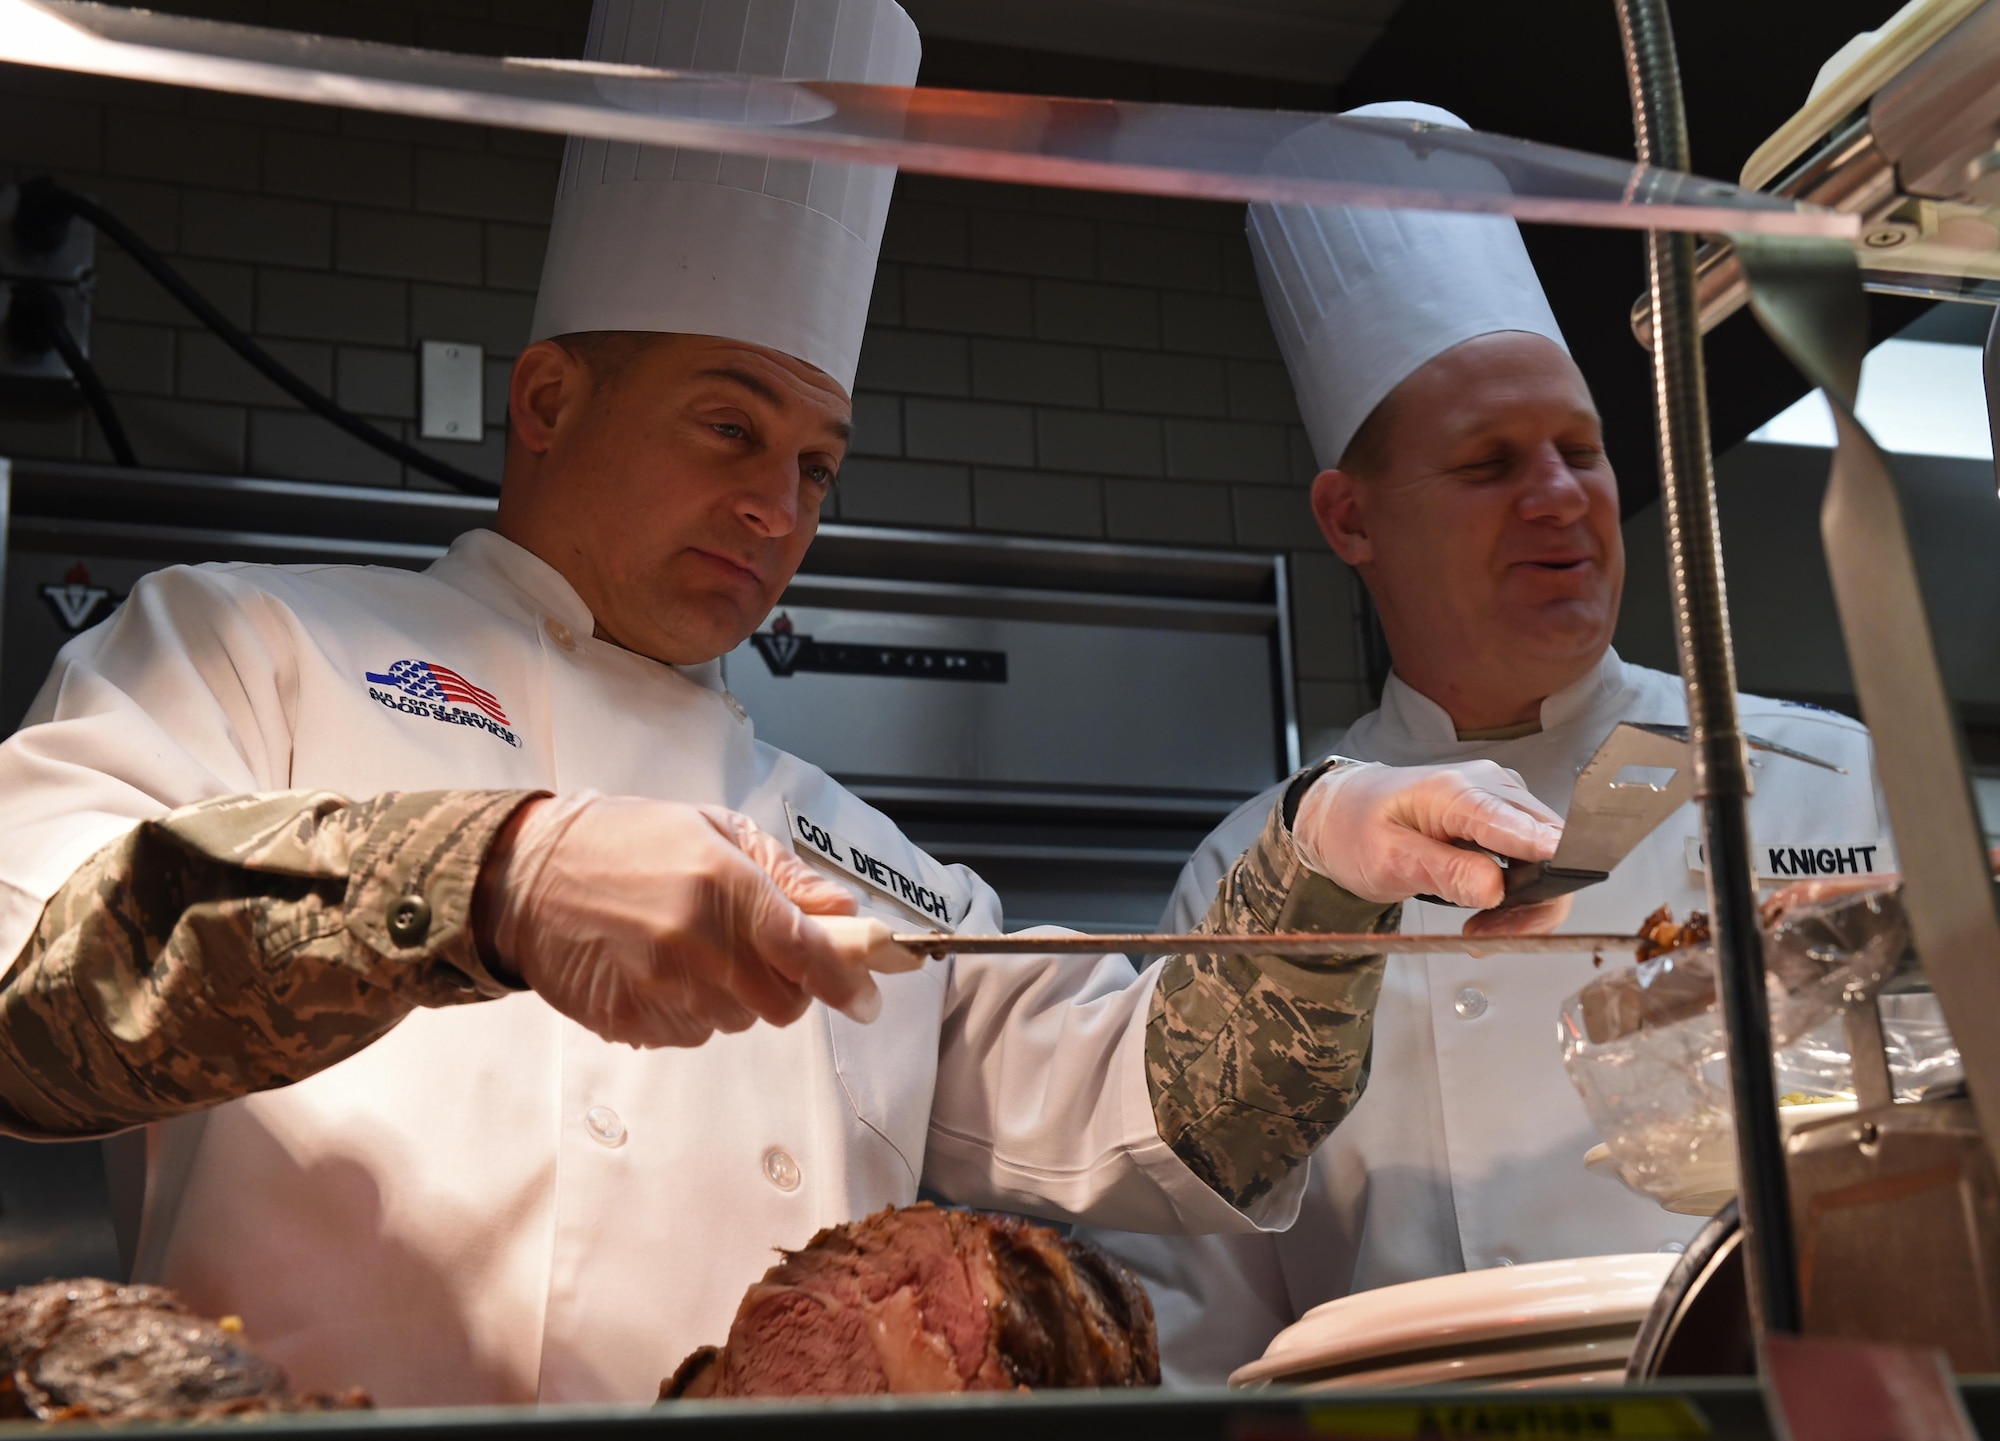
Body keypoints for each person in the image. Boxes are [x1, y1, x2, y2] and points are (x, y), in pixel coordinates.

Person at [0, 33, 1571, 1411]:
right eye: (728, 426)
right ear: (545, 403)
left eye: (817, 464)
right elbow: (29, 984)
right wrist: (497, 877)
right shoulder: (249, 648)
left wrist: (1327, 869)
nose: (777, 505)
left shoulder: (847, 849)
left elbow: (1168, 1117)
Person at [1078, 102, 1890, 1386]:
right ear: (1349, 520)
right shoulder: (1261, 876)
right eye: (1486, 463)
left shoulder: (1823, 779)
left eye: (1579, 450)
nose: (1559, 497)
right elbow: (1197, 1343)